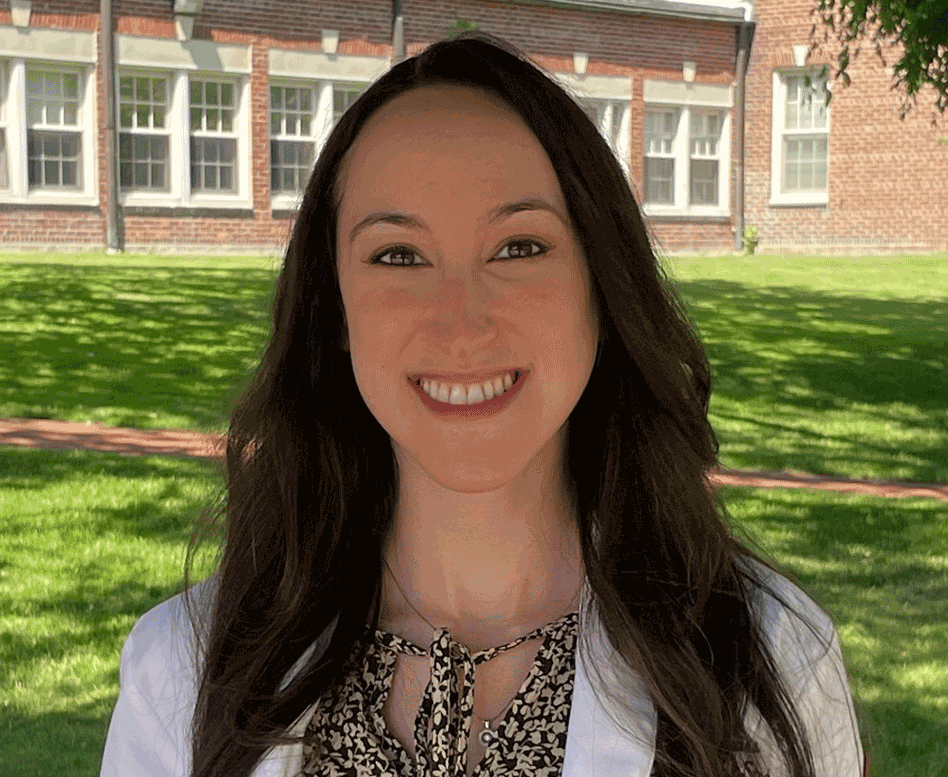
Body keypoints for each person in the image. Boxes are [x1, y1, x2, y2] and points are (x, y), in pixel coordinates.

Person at [99, 30, 866, 777]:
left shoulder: (768, 660)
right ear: (332, 309)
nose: (461, 321)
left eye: (519, 246)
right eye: (397, 255)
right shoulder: (186, 670)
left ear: (601, 286)